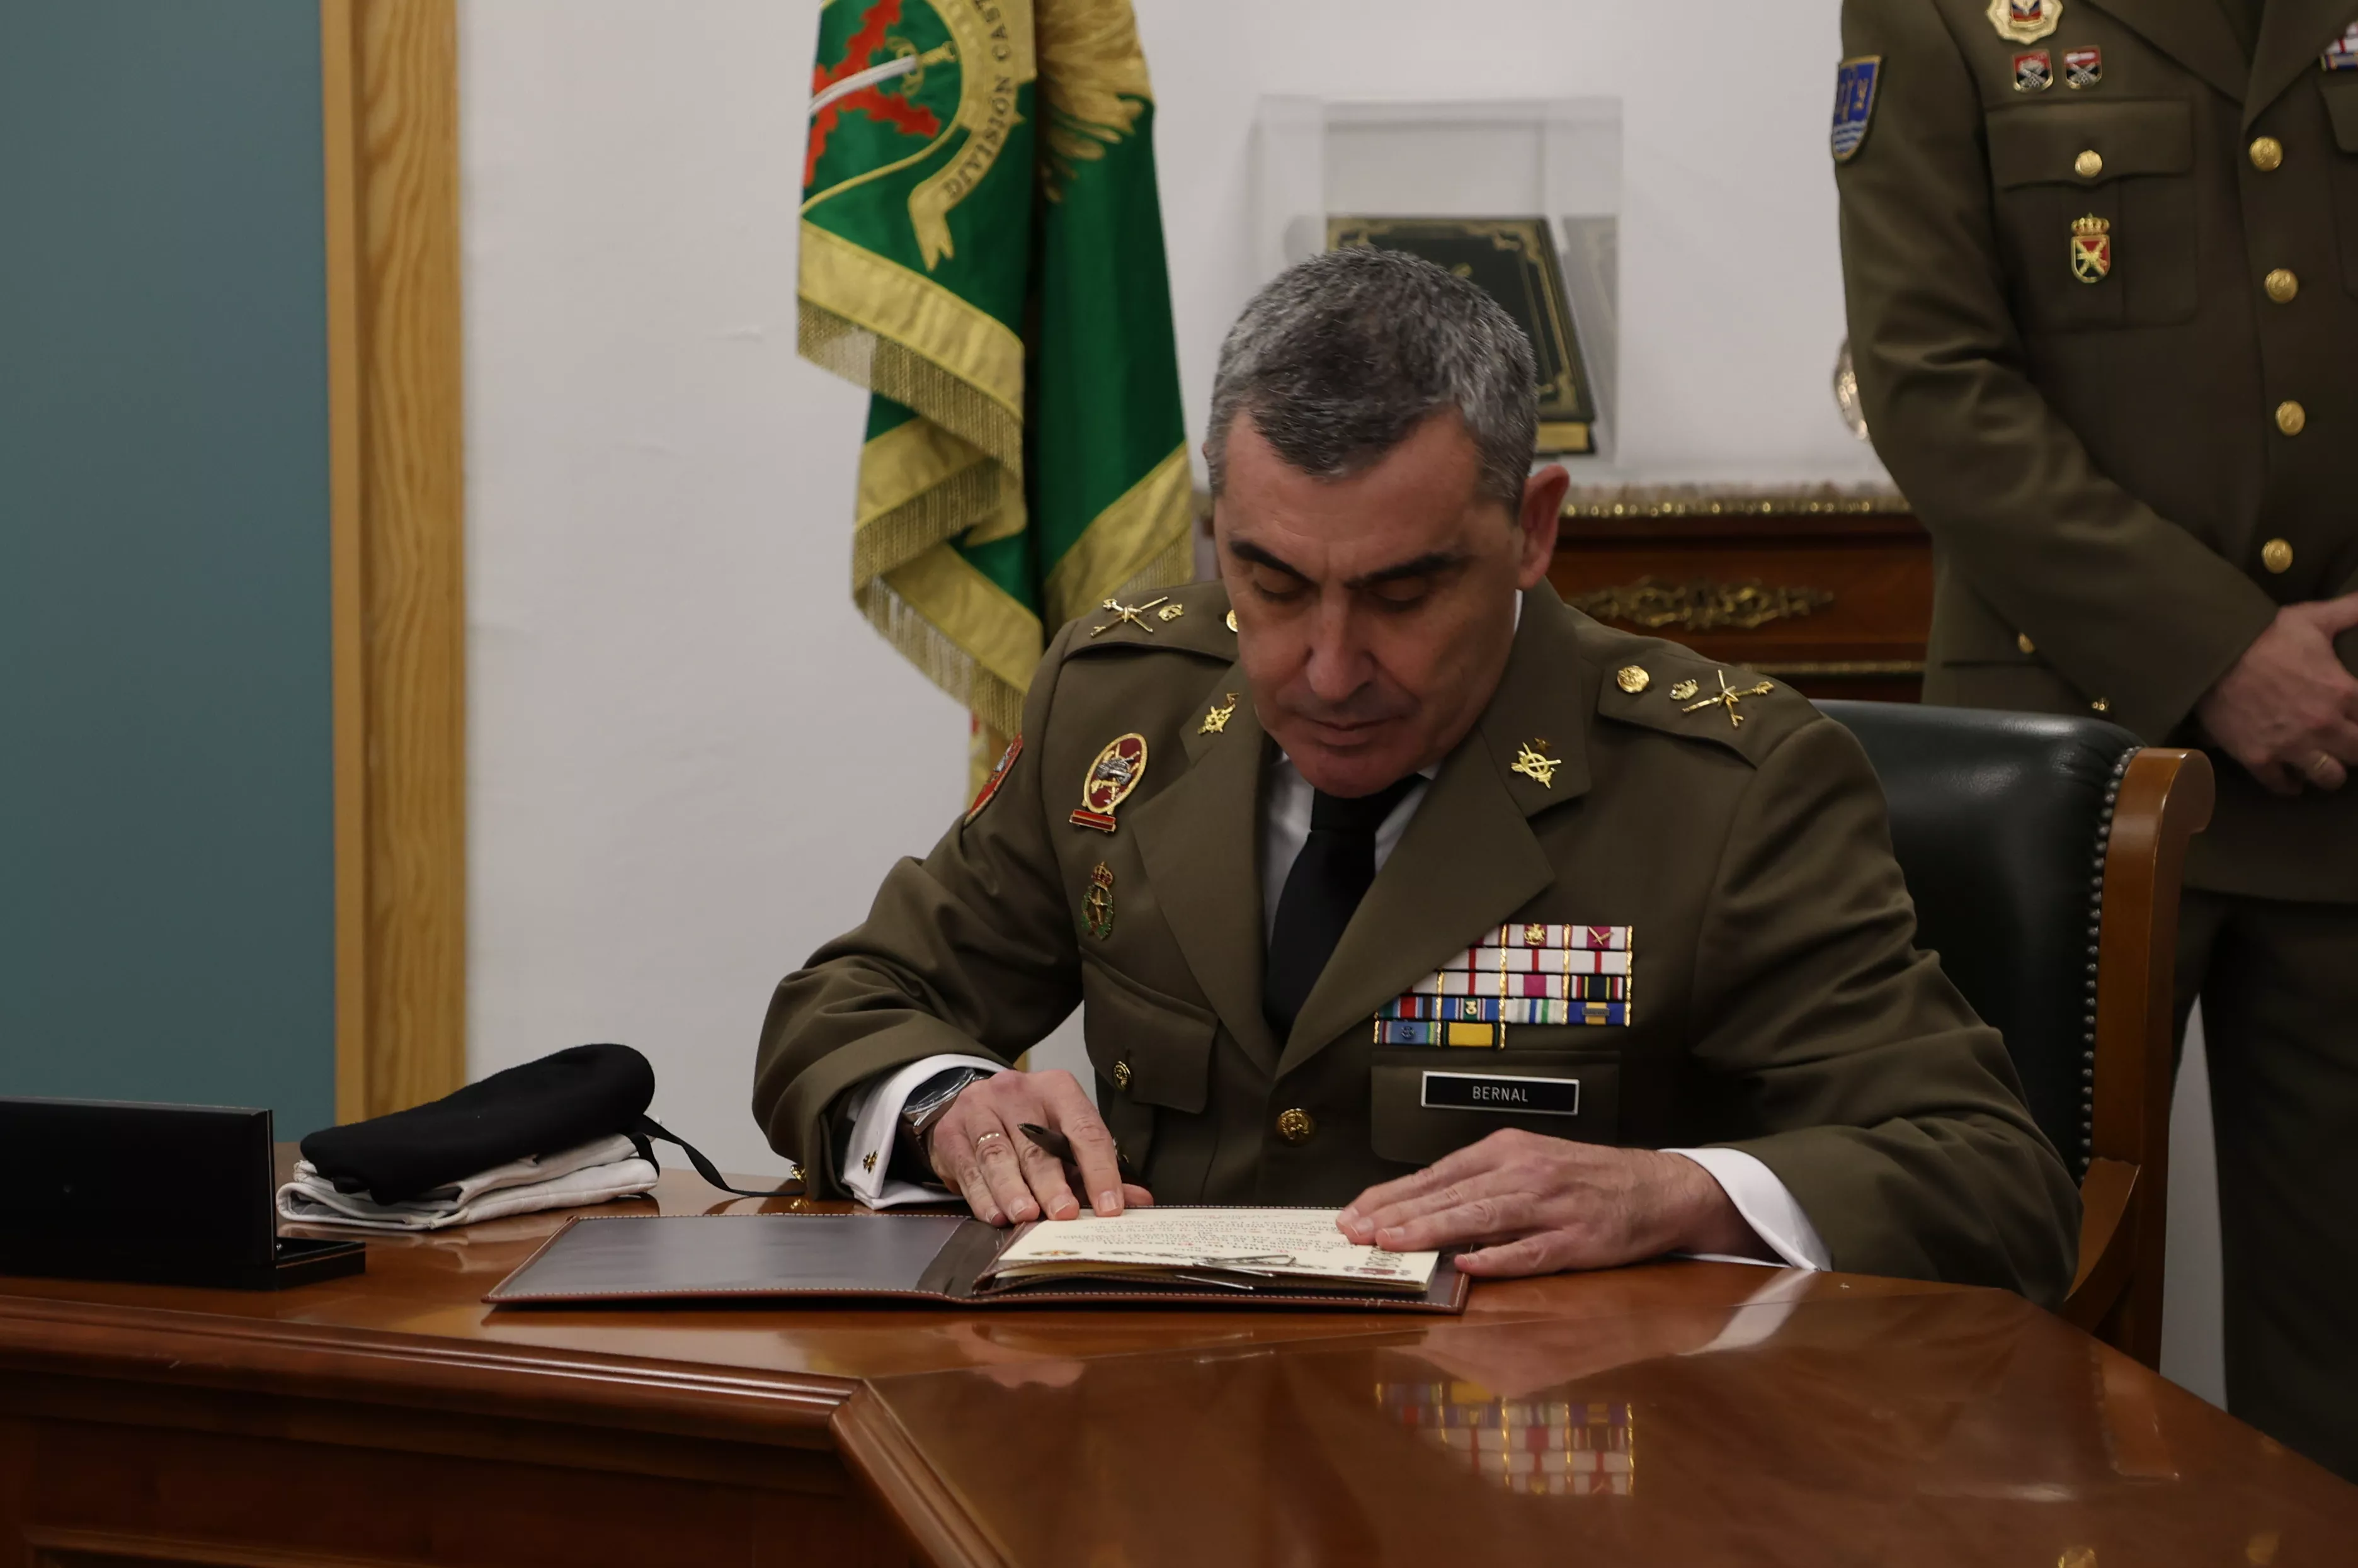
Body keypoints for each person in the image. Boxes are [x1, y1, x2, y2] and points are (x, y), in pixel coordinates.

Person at [753, 247, 2078, 1300]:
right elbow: (848, 1003)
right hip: (1150, 1450)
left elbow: (1992, 1182)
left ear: (1532, 532)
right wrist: (943, 1106)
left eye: (1401, 593)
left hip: (1546, 1470)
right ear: (1219, 533)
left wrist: (1675, 1191)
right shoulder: (1127, 710)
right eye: (1272, 585)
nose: (1329, 670)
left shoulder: (1726, 788)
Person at [1833, 0, 2358, 1476]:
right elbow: (1932, 384)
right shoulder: (1942, 14)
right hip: (2057, 792)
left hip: (2346, 755)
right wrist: (2220, 652)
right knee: (2002, 1335)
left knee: (2343, 1367)